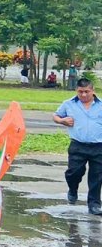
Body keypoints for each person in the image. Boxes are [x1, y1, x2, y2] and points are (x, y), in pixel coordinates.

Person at [53, 78, 102, 215]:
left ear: (93, 91)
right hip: (78, 145)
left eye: (87, 91)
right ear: (76, 91)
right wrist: (62, 120)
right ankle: (73, 189)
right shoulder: (68, 104)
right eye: (80, 92)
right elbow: (56, 116)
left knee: (97, 176)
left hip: (98, 146)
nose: (84, 95)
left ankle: (94, 204)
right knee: (74, 172)